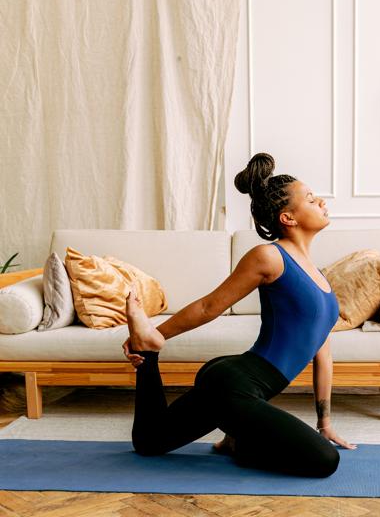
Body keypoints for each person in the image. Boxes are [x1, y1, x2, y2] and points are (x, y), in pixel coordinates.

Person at [121, 152, 356, 478]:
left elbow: (322, 351)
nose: (322, 202)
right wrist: (158, 332)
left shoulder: (319, 277)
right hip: (235, 383)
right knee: (324, 461)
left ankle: (149, 359)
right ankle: (239, 440)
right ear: (289, 218)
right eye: (312, 199)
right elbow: (210, 306)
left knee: (150, 442)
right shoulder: (270, 256)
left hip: (240, 385)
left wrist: (324, 422)